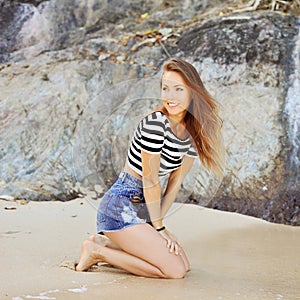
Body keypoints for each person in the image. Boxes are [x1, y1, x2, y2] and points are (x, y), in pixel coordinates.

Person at [76, 57, 224, 279]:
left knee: (184, 265)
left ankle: (104, 242)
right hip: (120, 206)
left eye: (178, 89)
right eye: (165, 88)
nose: (169, 97)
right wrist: (160, 228)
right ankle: (97, 252)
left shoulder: (193, 132)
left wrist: (158, 223)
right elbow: (150, 180)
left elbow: (174, 183)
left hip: (145, 207)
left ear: (192, 92)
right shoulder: (156, 124)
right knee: (174, 271)